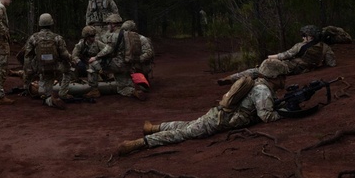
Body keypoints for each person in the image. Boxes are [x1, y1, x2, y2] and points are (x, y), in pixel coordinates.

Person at [117, 59, 289, 157]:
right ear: (274, 76)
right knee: (184, 133)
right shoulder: (262, 90)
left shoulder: (261, 84)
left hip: (219, 115)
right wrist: (284, 114)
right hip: (220, 120)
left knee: (190, 125)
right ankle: (141, 143)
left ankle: (154, 128)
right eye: (282, 76)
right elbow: (266, 116)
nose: (284, 80)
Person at [216, 24, 336, 85]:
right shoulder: (325, 48)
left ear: (311, 36)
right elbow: (332, 63)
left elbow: (285, 55)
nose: (303, 37)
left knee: (257, 71)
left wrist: (270, 57)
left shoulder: (300, 46)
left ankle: (232, 78)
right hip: (304, 69)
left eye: (304, 35)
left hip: (289, 67)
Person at [83, 13, 147, 101]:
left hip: (118, 64)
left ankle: (94, 90)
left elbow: (108, 50)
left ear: (113, 24)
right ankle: (134, 92)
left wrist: (95, 57)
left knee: (92, 64)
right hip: (127, 65)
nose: (107, 26)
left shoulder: (114, 35)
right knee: (122, 89)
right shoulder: (126, 34)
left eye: (108, 24)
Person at [23, 13, 73, 110]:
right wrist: (72, 60)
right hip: (55, 67)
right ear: (51, 23)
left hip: (40, 68)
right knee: (68, 70)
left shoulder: (33, 38)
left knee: (44, 79)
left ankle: (47, 97)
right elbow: (64, 55)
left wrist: (28, 72)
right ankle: (63, 93)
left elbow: (27, 56)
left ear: (40, 24)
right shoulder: (57, 38)